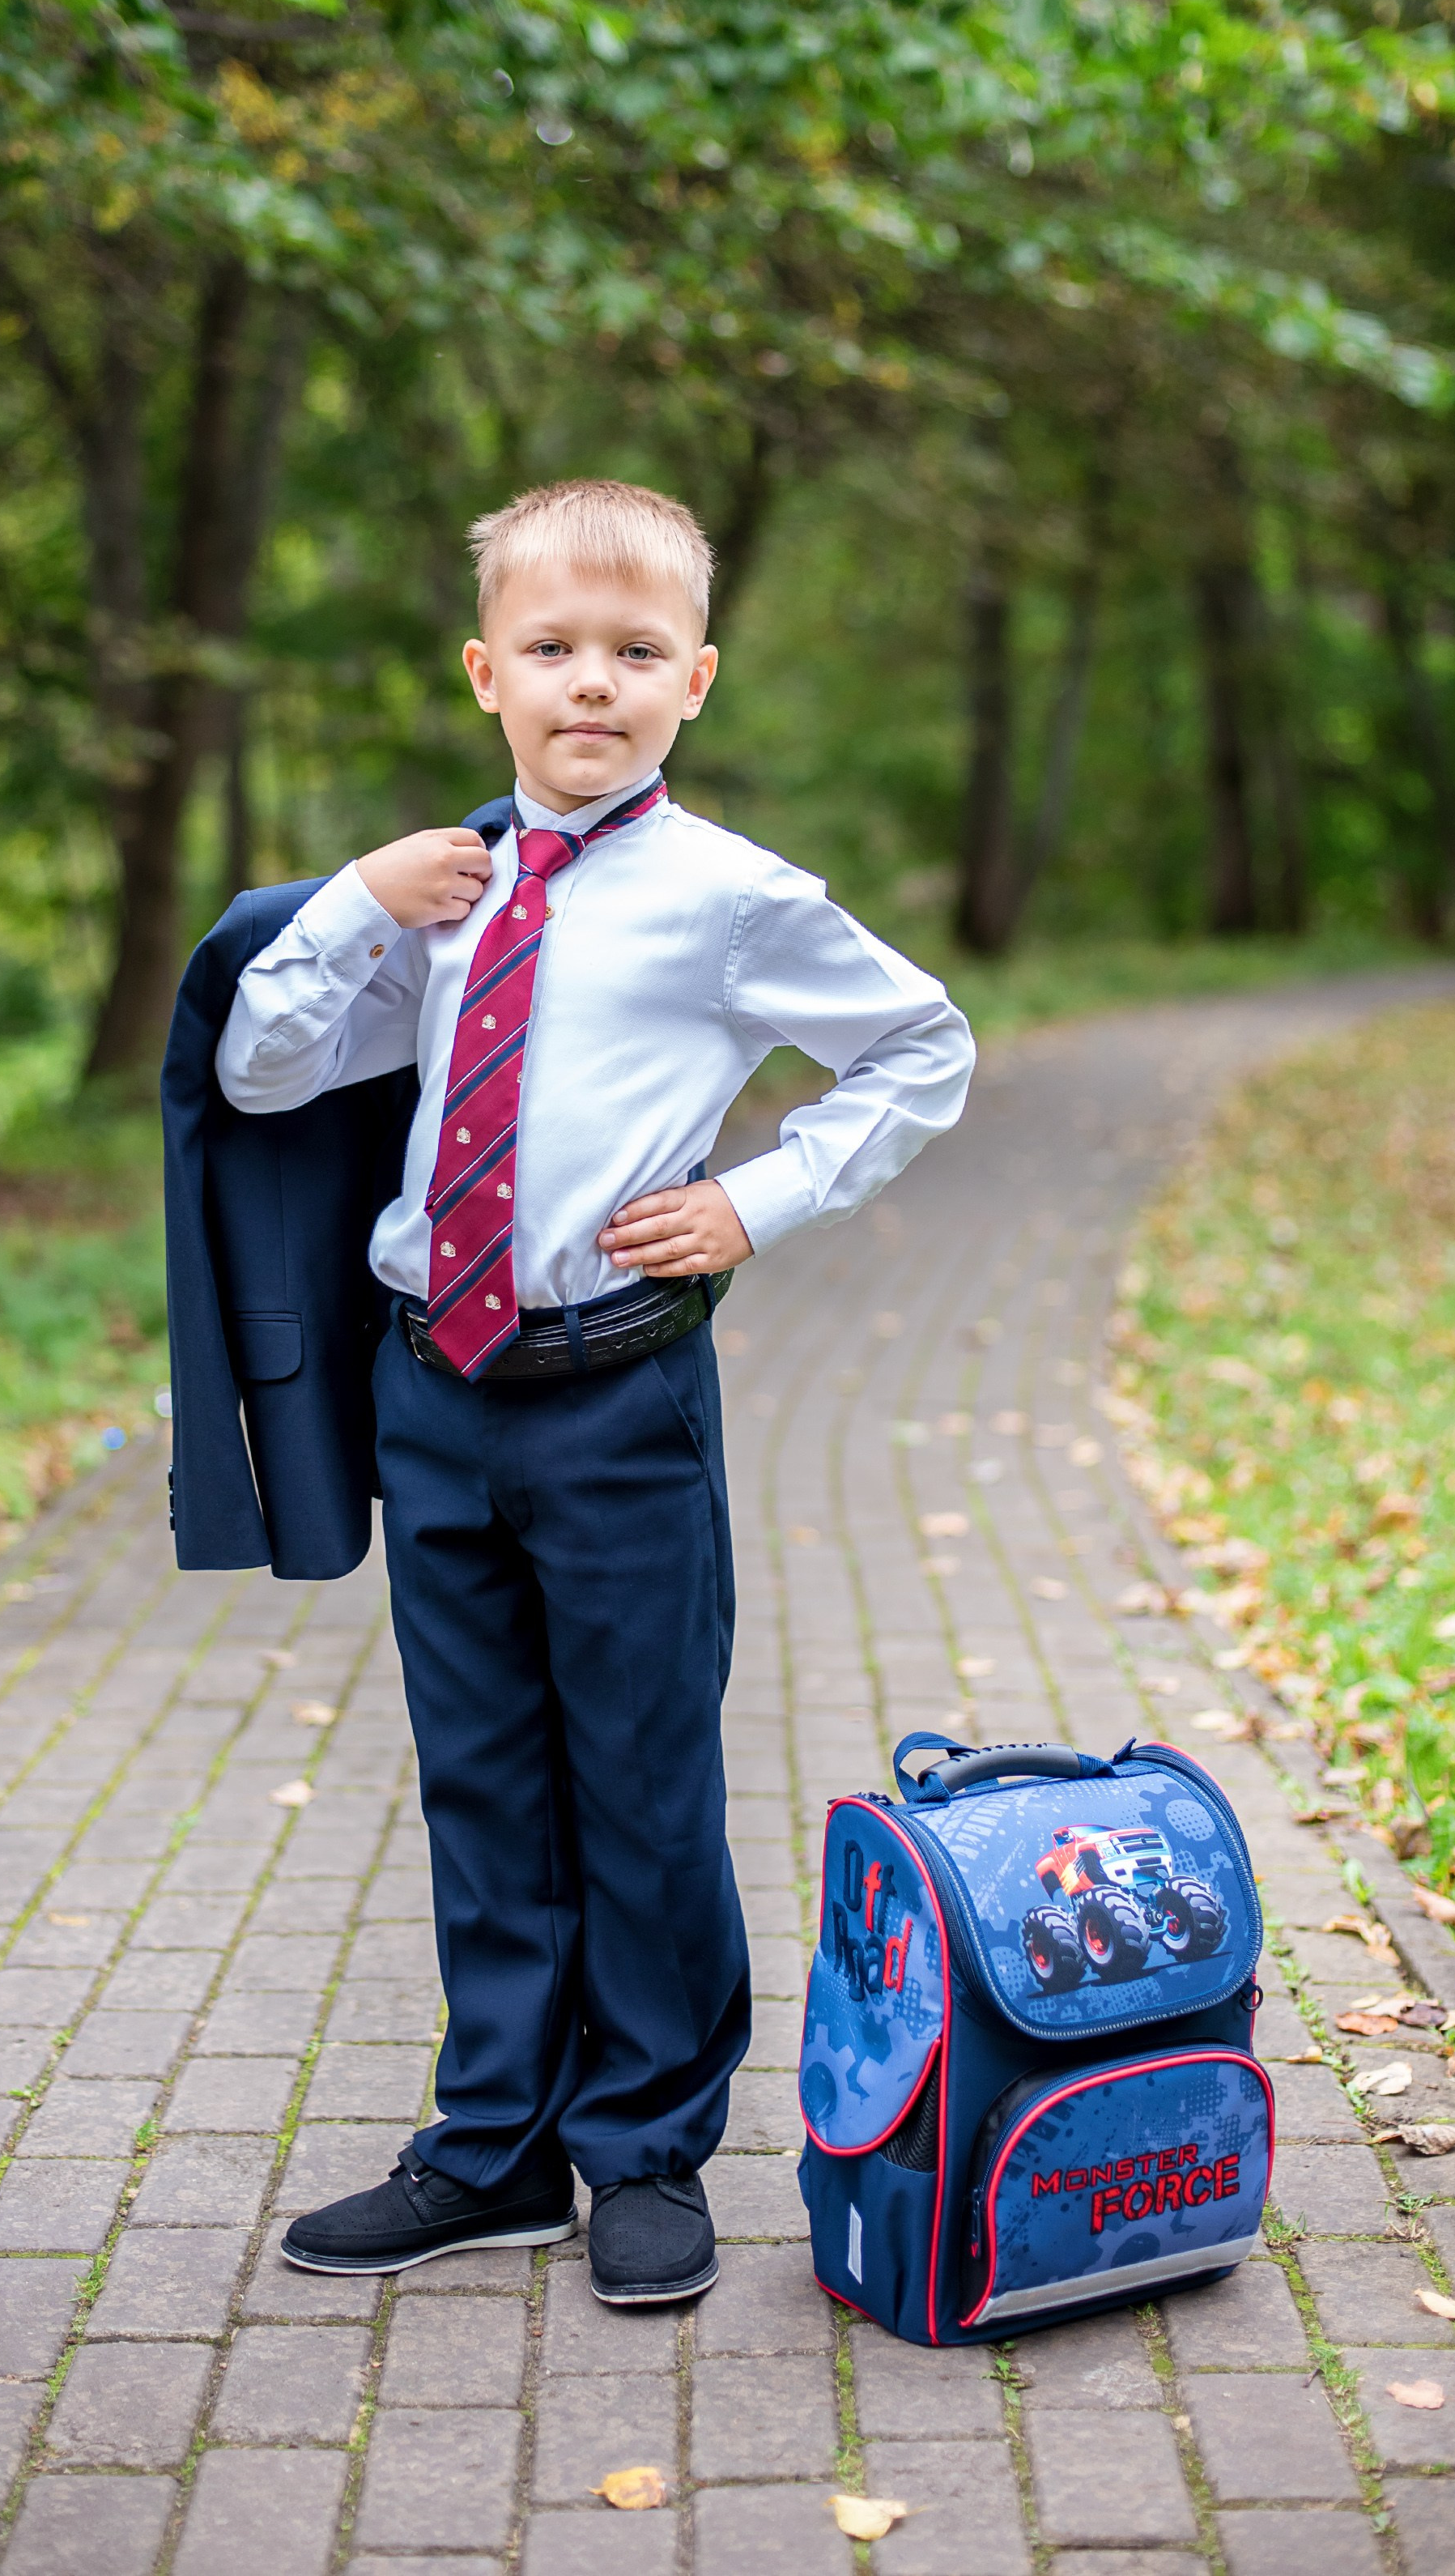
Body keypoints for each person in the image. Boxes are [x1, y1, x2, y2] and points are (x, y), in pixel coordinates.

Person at [215, 478, 975, 2305]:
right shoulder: (433, 894)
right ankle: (491, 2148)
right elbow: (259, 1073)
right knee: (482, 1781)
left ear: (693, 680)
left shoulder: (727, 899)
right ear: (486, 670)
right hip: (434, 1389)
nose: (589, 684)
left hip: (613, 1394)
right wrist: (343, 901)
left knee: (636, 1783)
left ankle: (641, 2144)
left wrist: (750, 1198)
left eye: (633, 652)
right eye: (550, 647)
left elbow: (921, 1042)